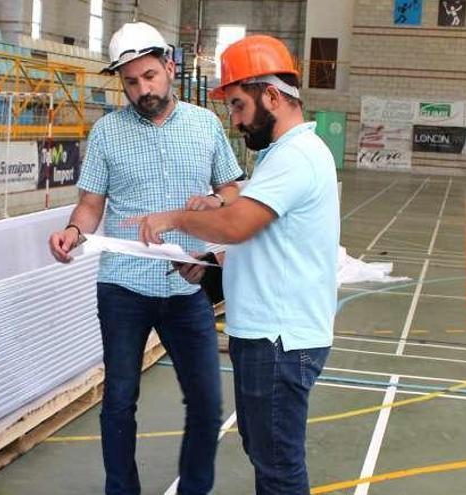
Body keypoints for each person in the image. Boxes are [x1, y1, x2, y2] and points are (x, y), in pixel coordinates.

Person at [130, 35, 339, 495]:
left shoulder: (296, 156)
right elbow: (267, 241)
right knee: (269, 458)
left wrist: (172, 218)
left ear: (272, 96)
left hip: (277, 339)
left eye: (240, 105)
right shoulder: (281, 156)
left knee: (278, 469)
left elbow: (238, 225)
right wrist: (210, 262)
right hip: (268, 335)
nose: (237, 120)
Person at [48, 22, 243, 495]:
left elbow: (232, 192)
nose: (143, 90)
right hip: (121, 287)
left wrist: (213, 218)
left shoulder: (206, 124)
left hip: (186, 285)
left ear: (169, 68)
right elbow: (92, 204)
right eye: (131, 82)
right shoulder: (107, 132)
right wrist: (74, 231)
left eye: (150, 76)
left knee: (205, 403)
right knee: (118, 401)